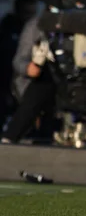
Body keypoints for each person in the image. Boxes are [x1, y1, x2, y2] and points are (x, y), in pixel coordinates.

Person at [1, 15, 57, 144]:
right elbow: (19, 61)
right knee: (41, 86)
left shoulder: (85, 23)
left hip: (67, 82)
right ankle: (11, 136)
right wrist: (28, 68)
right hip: (38, 82)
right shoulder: (36, 25)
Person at [0, 0, 37, 127]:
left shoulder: (35, 30)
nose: (29, 18)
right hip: (6, 79)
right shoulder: (8, 29)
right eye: (27, 13)